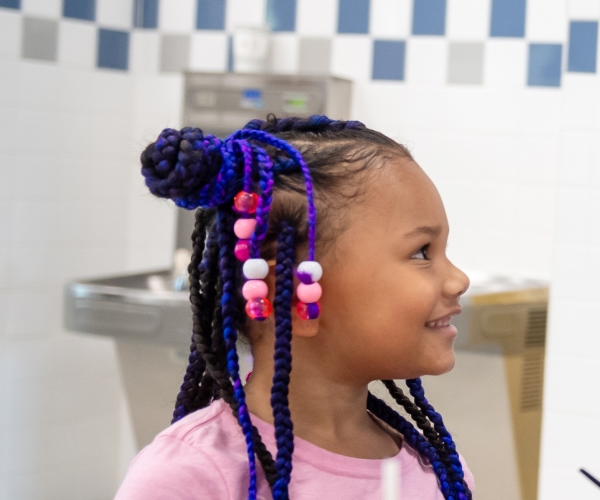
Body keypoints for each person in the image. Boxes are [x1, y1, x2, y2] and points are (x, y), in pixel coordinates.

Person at [116, 116, 475, 499]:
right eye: (422, 252)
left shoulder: (439, 472)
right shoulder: (188, 478)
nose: (458, 280)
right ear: (289, 290)